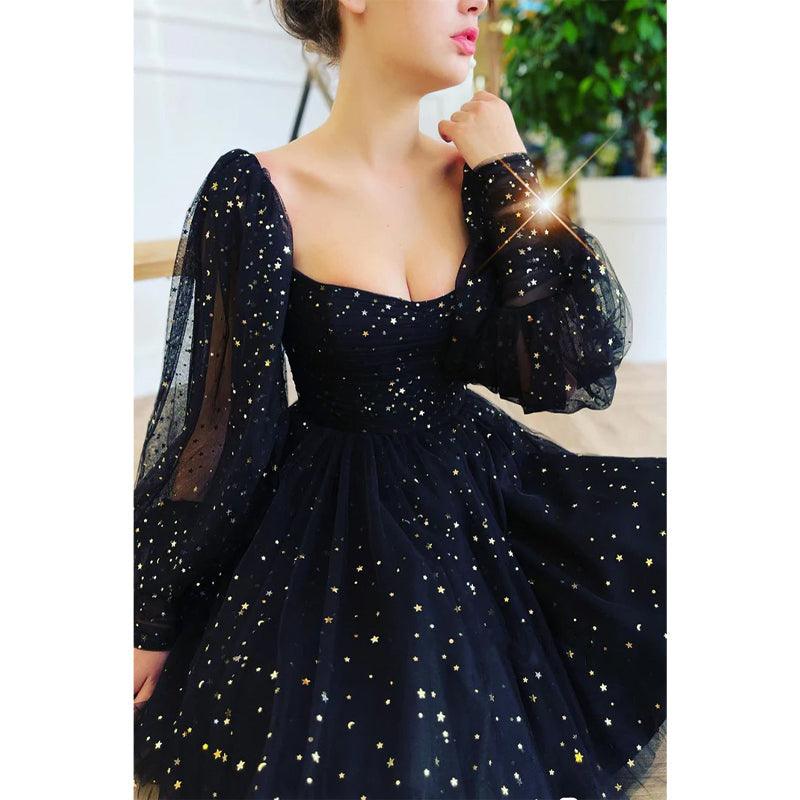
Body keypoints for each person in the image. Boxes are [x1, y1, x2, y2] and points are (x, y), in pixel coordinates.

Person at [133, 1, 666, 798]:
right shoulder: (259, 189)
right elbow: (223, 428)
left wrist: (510, 173)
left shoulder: (477, 176)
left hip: (479, 481)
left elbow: (567, 367)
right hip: (334, 509)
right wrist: (154, 618)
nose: (476, 3)